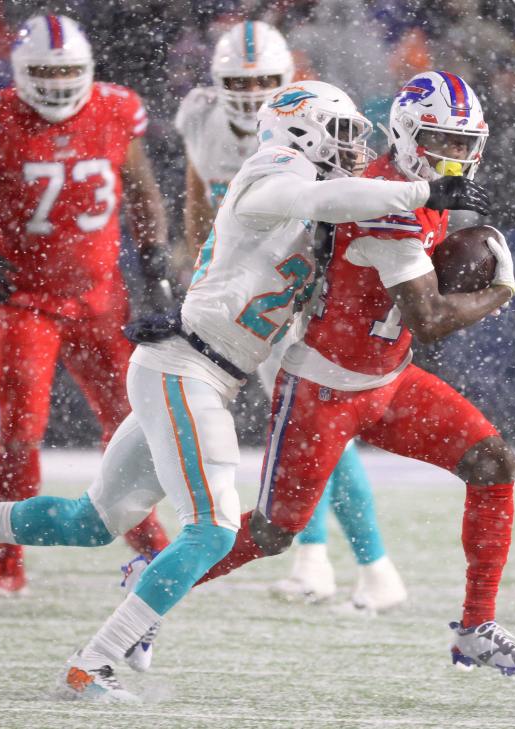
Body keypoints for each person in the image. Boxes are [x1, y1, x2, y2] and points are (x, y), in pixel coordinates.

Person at [0, 79, 491, 700]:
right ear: (302, 132)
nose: (351, 149)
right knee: (212, 528)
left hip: (197, 369)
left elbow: (348, 226)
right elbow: (330, 195)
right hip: (189, 368)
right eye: (339, 135)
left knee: (92, 521)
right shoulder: (273, 171)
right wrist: (422, 189)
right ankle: (92, 663)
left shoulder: (316, 198)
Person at [196, 71, 515, 677]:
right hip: (323, 388)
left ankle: (475, 627)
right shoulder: (388, 201)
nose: (457, 157)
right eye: (443, 140)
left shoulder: (415, 188)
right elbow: (430, 317)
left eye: (466, 144)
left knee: (493, 462)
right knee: (274, 531)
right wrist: (501, 289)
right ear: (409, 134)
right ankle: (151, 585)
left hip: (388, 379)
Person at [0, 15, 171, 596]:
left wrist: (156, 274)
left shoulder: (118, 109)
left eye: (67, 70)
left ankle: (148, 541)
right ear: (21, 73)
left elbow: (142, 192)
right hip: (23, 299)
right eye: (44, 71)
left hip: (100, 295)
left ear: (89, 70)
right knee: (21, 433)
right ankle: (8, 560)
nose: (56, 83)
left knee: (135, 423)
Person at [175, 19, 405, 610]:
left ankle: (350, 563)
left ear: (289, 79)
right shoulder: (198, 116)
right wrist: (196, 254)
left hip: (298, 291)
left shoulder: (316, 120)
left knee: (316, 428)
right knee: (304, 427)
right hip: (251, 293)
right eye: (237, 80)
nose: (251, 92)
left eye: (266, 81)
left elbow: (346, 201)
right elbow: (200, 188)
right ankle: (330, 561)